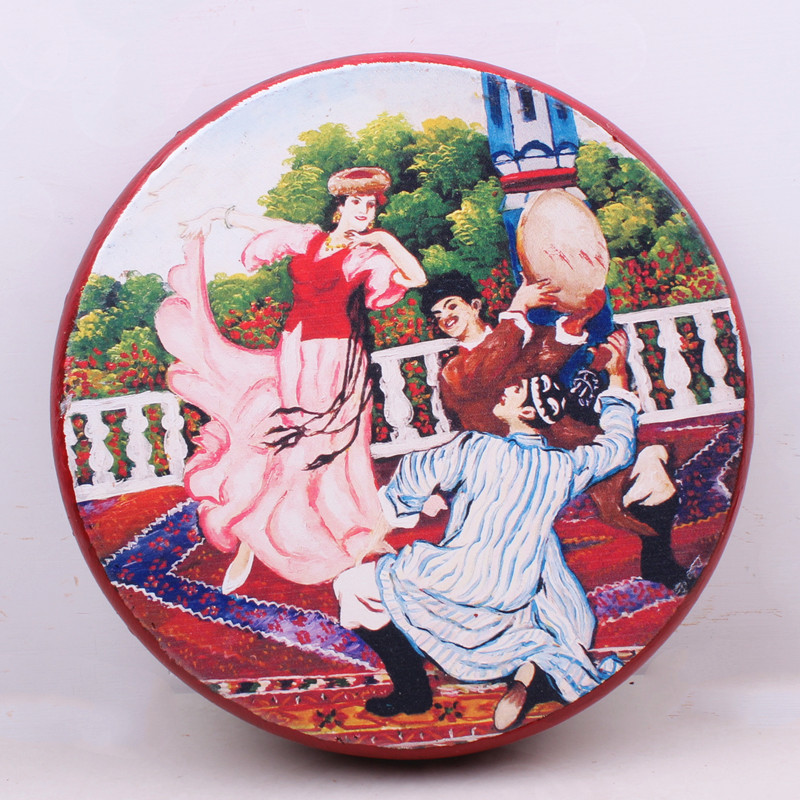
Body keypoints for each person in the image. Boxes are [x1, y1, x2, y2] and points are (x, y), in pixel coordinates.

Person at [334, 331, 636, 729]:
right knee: (534, 612)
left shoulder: (476, 448)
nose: (507, 391)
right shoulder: (565, 467)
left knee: (351, 585)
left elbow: (414, 475)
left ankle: (412, 690)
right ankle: (530, 672)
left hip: (456, 577)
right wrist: (618, 375)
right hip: (513, 590)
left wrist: (390, 523)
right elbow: (620, 446)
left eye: (516, 391)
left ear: (526, 412)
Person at [155, 167, 426, 589]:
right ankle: (259, 527)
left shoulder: (366, 256)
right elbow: (263, 225)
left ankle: (347, 528)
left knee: (327, 447)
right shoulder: (309, 239)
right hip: (295, 352)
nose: (364, 212)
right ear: (340, 206)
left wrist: (384, 240)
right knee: (287, 442)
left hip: (338, 358)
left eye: (372, 206)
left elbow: (416, 278)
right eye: (356, 203)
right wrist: (215, 214)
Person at [419, 271, 691, 593]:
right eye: (438, 315)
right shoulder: (455, 372)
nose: (446, 317)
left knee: (653, 464)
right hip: (517, 464)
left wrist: (578, 318)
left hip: (566, 443)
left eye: (452, 306)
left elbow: (543, 355)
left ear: (475, 305)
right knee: (622, 469)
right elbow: (491, 366)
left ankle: (659, 562)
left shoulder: (516, 338)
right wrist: (518, 307)